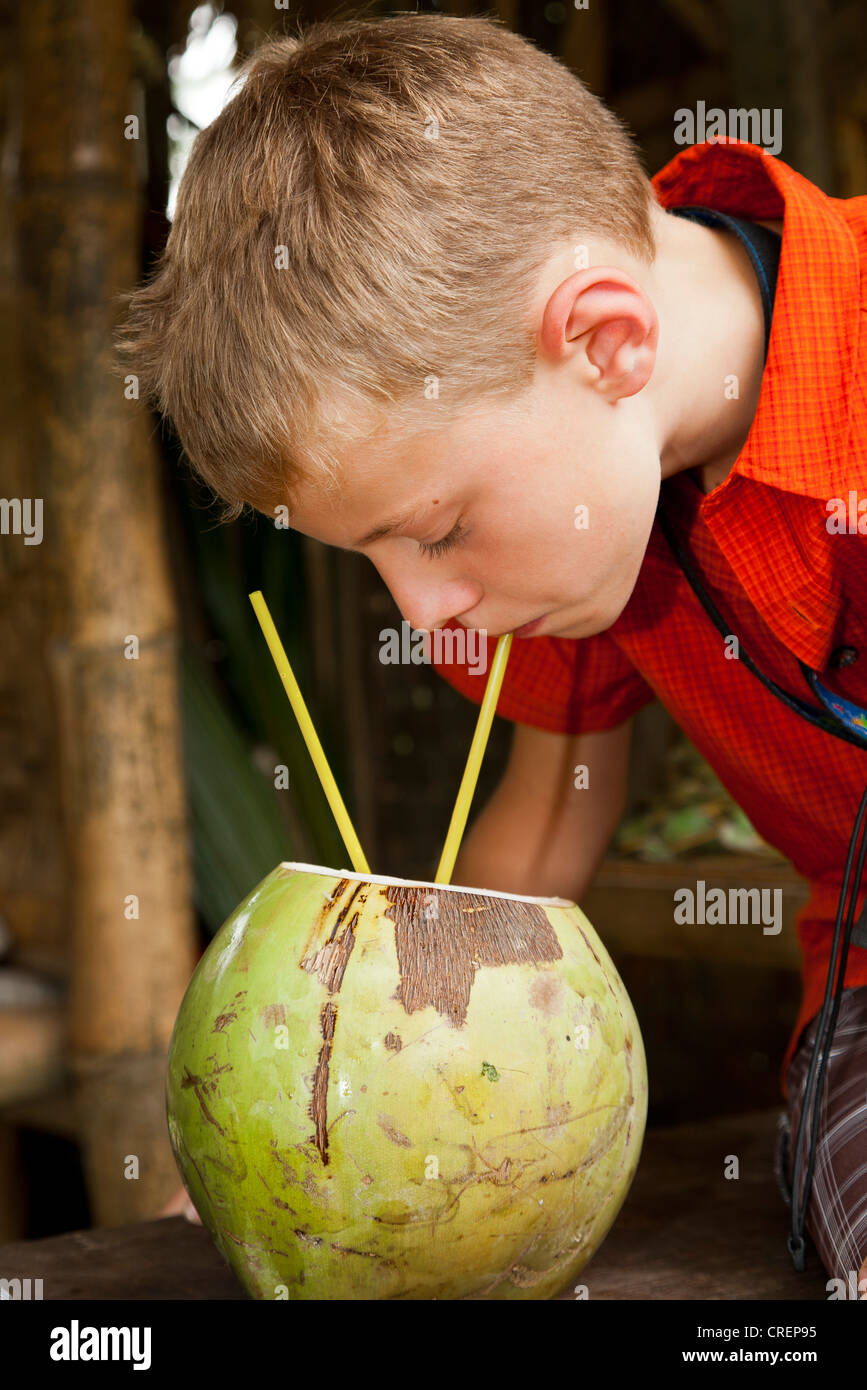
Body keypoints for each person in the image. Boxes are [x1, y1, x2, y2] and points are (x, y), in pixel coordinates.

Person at [119, 13, 867, 1295]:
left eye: (441, 529)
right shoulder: (598, 535)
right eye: (374, 561)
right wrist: (338, 1122)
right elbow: (532, 851)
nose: (427, 619)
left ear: (605, 343)